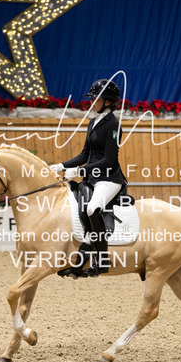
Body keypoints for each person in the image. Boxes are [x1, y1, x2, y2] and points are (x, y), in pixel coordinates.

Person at [50, 79, 126, 276]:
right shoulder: (93, 122)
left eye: (95, 99)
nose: (91, 102)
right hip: (92, 178)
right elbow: (85, 155)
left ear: (107, 102)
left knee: (92, 208)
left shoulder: (113, 125)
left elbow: (109, 160)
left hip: (109, 179)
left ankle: (102, 260)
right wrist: (62, 165)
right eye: (91, 98)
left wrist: (81, 171)